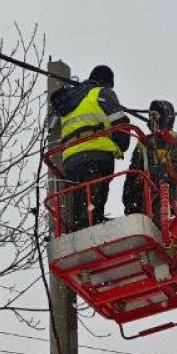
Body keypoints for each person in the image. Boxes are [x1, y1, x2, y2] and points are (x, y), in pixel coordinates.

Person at [50, 65, 130, 231]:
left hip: (71, 158)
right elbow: (119, 121)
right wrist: (122, 143)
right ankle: (91, 227)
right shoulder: (101, 93)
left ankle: (82, 225)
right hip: (96, 153)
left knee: (82, 195)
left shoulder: (71, 99)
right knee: (95, 197)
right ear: (106, 82)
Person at [123, 100, 177, 231]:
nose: (152, 119)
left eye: (156, 115)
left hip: (165, 196)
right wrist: (128, 197)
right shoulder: (143, 142)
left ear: (166, 117)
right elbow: (133, 170)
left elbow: (174, 168)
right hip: (142, 199)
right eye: (150, 116)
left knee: (160, 228)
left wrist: (158, 140)